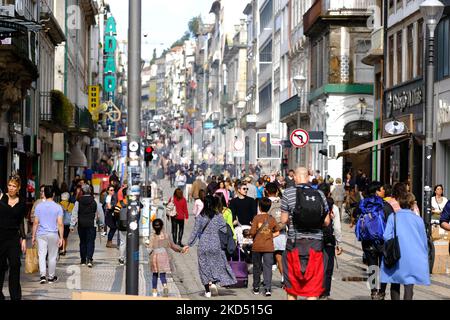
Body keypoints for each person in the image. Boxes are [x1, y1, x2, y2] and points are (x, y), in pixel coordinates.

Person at [280, 167, 331, 300]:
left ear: (295, 177)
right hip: (315, 245)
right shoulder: (320, 194)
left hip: (294, 244)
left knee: (292, 285)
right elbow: (326, 222)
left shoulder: (288, 193)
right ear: (308, 177)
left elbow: (284, 220)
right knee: (313, 287)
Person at [184, 196, 237, 298]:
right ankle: (213, 283)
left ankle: (207, 291)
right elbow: (225, 230)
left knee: (203, 267)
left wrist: (188, 245)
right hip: (215, 244)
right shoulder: (219, 216)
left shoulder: (200, 216)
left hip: (203, 245)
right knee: (215, 265)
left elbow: (195, 232)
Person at [380, 192, 430, 300]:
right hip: (413, 256)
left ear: (399, 203)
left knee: (394, 282)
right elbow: (423, 241)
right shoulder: (418, 220)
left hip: (396, 254)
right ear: (412, 204)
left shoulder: (393, 217)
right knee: (409, 285)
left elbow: (386, 236)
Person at [355, 181, 394, 300]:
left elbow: (356, 215)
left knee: (372, 266)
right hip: (382, 241)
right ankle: (381, 292)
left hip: (367, 240)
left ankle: (373, 291)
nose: (384, 191)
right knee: (383, 267)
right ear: (377, 191)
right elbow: (392, 221)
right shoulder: (384, 205)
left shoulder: (363, 204)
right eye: (382, 189)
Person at [0, 176, 27, 300]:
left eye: (14, 186)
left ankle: (15, 296)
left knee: (15, 265)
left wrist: (24, 238)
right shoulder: (1, 198)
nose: (11, 188)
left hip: (13, 238)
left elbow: (21, 221)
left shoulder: (22, 202)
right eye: (9, 185)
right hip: (0, 237)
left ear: (18, 188)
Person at [32, 186, 64, 284]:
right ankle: (51, 277)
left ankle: (42, 276)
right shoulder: (58, 207)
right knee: (52, 256)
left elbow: (35, 222)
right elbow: (60, 223)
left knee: (41, 255)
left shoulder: (39, 206)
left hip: (41, 234)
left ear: (44, 194)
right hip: (53, 234)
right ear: (53, 194)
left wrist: (33, 236)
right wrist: (61, 238)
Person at [249, 197, 280, 297]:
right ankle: (267, 288)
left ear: (259, 207)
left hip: (257, 246)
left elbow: (252, 232)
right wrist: (269, 235)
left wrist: (250, 233)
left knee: (257, 267)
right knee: (268, 267)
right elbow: (277, 231)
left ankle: (256, 287)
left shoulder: (256, 218)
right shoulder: (272, 219)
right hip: (268, 246)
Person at [148, 219, 186, 297]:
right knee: (162, 274)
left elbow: (150, 248)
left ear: (153, 227)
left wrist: (148, 248)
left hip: (155, 256)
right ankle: (165, 286)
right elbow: (172, 246)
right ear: (162, 226)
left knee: (154, 274)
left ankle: (154, 291)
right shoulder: (165, 235)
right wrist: (181, 250)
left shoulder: (153, 236)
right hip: (164, 256)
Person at [70, 184, 105, 268]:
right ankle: (89, 259)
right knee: (90, 242)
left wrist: (72, 225)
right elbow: (100, 213)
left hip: (81, 224)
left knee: (82, 242)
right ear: (90, 191)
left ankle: (82, 260)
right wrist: (102, 224)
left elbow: (74, 214)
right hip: (91, 225)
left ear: (82, 191)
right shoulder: (95, 201)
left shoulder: (78, 202)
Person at [318, 183, 343, 300]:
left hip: (315, 239)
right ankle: (325, 292)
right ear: (329, 193)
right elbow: (337, 228)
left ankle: (316, 290)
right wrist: (339, 243)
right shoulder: (334, 207)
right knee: (328, 267)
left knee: (317, 266)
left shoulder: (314, 204)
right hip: (329, 239)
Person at [265, 182, 286, 284]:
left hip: (269, 234)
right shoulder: (282, 202)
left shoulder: (264, 202)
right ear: (277, 191)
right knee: (280, 257)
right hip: (281, 233)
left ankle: (267, 280)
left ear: (266, 191)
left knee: (267, 258)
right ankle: (283, 278)